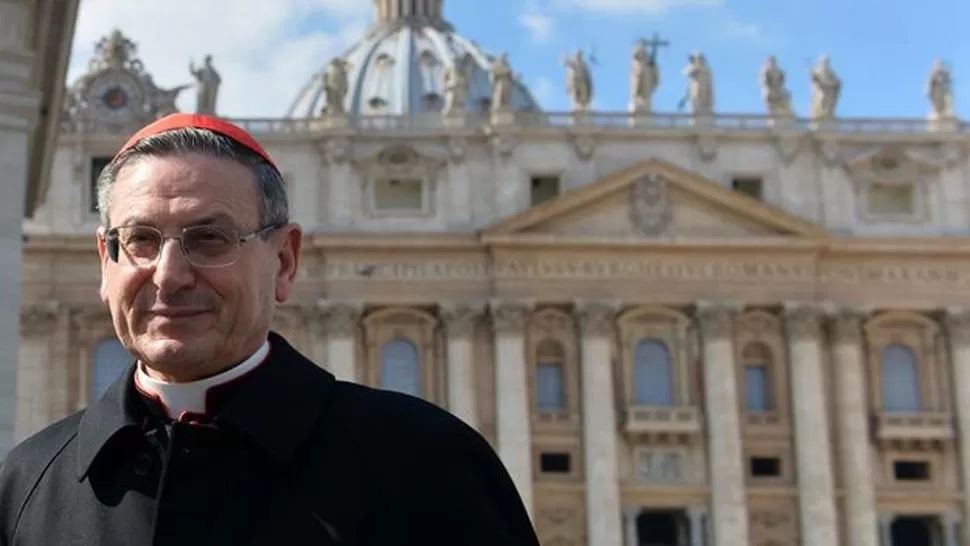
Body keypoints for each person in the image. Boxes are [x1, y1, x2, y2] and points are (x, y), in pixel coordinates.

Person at [0, 113, 540, 546]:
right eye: (140, 240)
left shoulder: (430, 465)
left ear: (283, 260)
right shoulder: (27, 482)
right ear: (106, 262)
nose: (169, 275)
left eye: (209, 238)